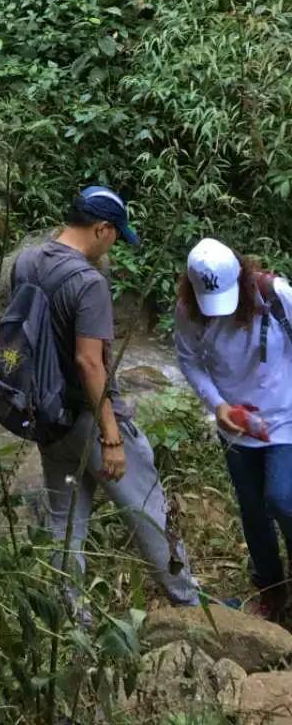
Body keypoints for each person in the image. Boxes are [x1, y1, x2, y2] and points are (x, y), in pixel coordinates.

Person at [15, 186, 198, 607]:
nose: (115, 243)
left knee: (65, 521)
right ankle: (188, 600)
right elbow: (89, 363)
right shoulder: (87, 281)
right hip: (89, 420)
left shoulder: (26, 262)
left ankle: (70, 615)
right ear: (101, 229)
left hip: (47, 415)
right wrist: (111, 436)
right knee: (148, 509)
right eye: (116, 234)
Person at [176, 238, 292, 620]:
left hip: (287, 419)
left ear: (242, 279)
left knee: (282, 498)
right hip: (237, 426)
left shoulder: (275, 296)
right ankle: (271, 590)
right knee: (253, 512)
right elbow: (189, 360)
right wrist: (219, 405)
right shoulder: (190, 311)